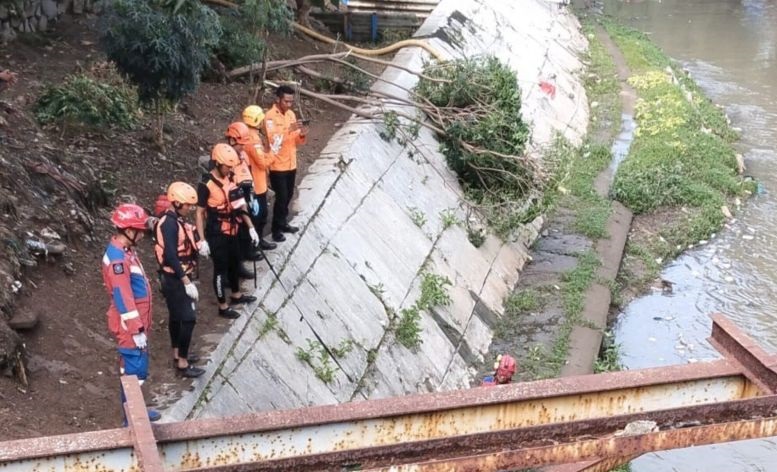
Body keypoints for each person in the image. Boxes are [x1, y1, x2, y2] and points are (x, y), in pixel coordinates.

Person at [101, 203, 160, 423]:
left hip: (136, 322)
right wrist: (136, 328)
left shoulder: (125, 251)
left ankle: (135, 411)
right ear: (128, 230)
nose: (142, 235)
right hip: (129, 326)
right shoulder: (118, 259)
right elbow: (123, 296)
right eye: (139, 231)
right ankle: (132, 419)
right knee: (134, 370)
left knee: (134, 369)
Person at [196, 143, 259, 319]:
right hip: (217, 233)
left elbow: (240, 203)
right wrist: (202, 240)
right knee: (220, 269)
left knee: (235, 262)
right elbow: (200, 213)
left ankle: (236, 294)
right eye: (227, 166)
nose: (229, 169)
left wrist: (251, 227)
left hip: (233, 229)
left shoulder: (230, 178)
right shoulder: (206, 185)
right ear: (217, 163)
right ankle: (223, 306)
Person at [154, 182, 206, 378]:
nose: (190, 208)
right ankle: (182, 362)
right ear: (176, 203)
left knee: (176, 317)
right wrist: (186, 281)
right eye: (187, 205)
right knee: (188, 319)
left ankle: (177, 353)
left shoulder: (176, 220)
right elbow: (170, 255)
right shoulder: (168, 224)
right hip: (174, 278)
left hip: (176, 276)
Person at [264, 85, 308, 243]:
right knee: (281, 197)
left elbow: (295, 140)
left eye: (291, 102)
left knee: (288, 195)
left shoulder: (291, 114)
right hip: (277, 165)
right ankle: (276, 229)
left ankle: (283, 223)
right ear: (278, 99)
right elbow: (273, 139)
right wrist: (289, 129)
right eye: (286, 101)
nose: (289, 105)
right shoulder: (270, 117)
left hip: (291, 163)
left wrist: (301, 134)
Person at [224, 122, 265, 280]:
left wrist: (252, 193)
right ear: (232, 140)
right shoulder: (224, 158)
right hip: (232, 202)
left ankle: (239, 264)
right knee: (231, 241)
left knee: (243, 234)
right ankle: (229, 274)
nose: (243, 147)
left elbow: (247, 172)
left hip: (245, 196)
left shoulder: (243, 156)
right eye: (240, 144)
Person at [242, 105, 277, 251]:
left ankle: (257, 242)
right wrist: (273, 152)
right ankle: (253, 246)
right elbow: (262, 163)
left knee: (258, 215)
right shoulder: (253, 140)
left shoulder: (247, 135)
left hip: (254, 183)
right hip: (257, 185)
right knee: (259, 216)